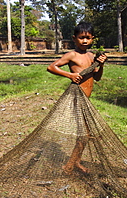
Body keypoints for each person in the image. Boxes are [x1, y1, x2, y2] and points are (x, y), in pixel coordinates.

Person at [47, 21, 107, 174]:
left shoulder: (91, 56)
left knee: (85, 135)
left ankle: (76, 162)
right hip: (77, 98)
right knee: (85, 134)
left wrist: (101, 65)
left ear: (92, 38)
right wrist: (70, 75)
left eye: (88, 38)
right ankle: (69, 165)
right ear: (74, 39)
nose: (85, 41)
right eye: (81, 38)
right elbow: (51, 67)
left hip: (86, 100)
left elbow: (97, 78)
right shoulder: (71, 55)